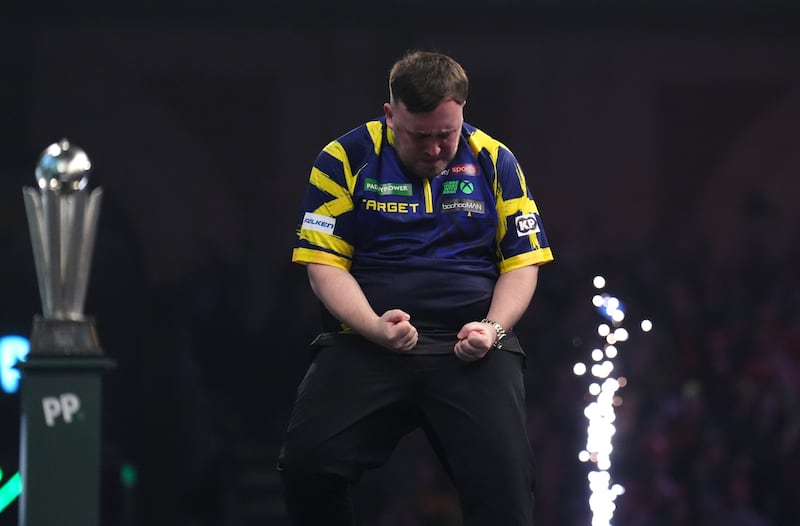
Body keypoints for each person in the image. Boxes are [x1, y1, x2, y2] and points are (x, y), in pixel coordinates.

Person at [277, 49, 554, 526]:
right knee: (305, 466)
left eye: (445, 134)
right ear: (390, 115)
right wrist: (374, 328)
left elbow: (522, 263)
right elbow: (323, 266)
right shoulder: (343, 158)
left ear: (462, 113)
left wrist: (492, 328)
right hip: (367, 341)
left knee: (508, 485)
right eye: (419, 136)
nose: (434, 149)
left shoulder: (495, 160)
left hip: (473, 345)